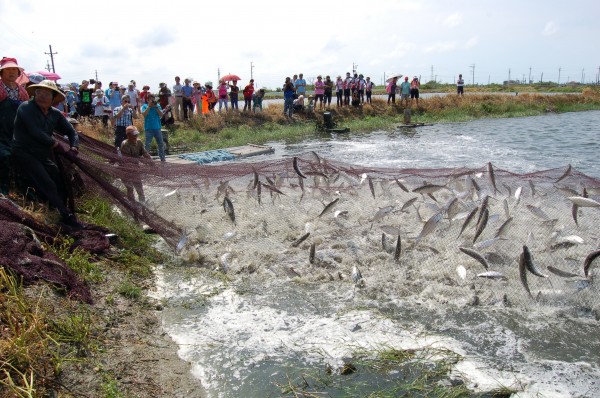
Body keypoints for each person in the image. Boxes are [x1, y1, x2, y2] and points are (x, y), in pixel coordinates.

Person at [11, 80, 82, 228]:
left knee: (59, 178)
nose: (41, 96)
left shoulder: (55, 114)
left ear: (53, 97)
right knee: (46, 182)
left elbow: (71, 131)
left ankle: (56, 207)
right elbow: (35, 132)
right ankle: (65, 215)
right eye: (39, 93)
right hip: (24, 153)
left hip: (42, 155)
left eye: (46, 94)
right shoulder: (25, 108)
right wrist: (55, 144)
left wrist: (74, 147)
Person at [0, 57, 29, 195]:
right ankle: (3, 191)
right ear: (2, 73)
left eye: (14, 69)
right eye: (8, 70)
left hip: (18, 132)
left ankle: (24, 190)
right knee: (4, 156)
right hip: (1, 132)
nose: (11, 72)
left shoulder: (22, 92)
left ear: (18, 73)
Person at [119, 125, 152, 203]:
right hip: (126, 170)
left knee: (139, 188)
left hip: (135, 170)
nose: (135, 136)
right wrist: (141, 160)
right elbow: (128, 160)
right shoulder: (125, 144)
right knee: (130, 188)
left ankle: (143, 204)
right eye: (133, 135)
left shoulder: (139, 142)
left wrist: (152, 164)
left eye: (136, 134)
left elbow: (145, 154)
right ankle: (132, 205)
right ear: (128, 135)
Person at [141, 93, 167, 161]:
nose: (152, 101)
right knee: (147, 145)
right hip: (148, 129)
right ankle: (146, 159)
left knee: (160, 144)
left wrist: (156, 107)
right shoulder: (144, 106)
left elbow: (161, 114)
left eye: (153, 100)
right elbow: (144, 114)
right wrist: (149, 106)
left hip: (157, 128)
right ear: (148, 100)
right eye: (151, 100)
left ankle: (162, 158)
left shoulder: (157, 106)